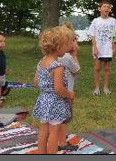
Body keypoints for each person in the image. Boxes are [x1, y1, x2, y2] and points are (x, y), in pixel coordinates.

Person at [32, 26, 75, 154]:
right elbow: (59, 88)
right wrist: (69, 94)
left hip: (44, 100)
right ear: (58, 47)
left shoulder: (41, 62)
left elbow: (36, 82)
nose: (68, 47)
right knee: (54, 132)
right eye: (67, 45)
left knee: (44, 130)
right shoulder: (57, 67)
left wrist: (46, 89)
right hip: (55, 102)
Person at [58, 22, 81, 151]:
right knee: (64, 119)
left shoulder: (48, 57)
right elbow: (77, 70)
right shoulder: (67, 58)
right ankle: (61, 142)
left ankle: (55, 138)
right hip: (67, 92)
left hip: (52, 93)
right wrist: (74, 55)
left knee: (55, 119)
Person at [88, 0, 116, 96]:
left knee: (107, 68)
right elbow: (92, 35)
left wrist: (114, 46)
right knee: (97, 68)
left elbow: (115, 35)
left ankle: (106, 87)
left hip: (108, 48)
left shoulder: (113, 20)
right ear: (99, 9)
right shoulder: (96, 21)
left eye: (108, 7)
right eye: (104, 7)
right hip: (98, 48)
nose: (106, 8)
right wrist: (95, 47)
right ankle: (97, 87)